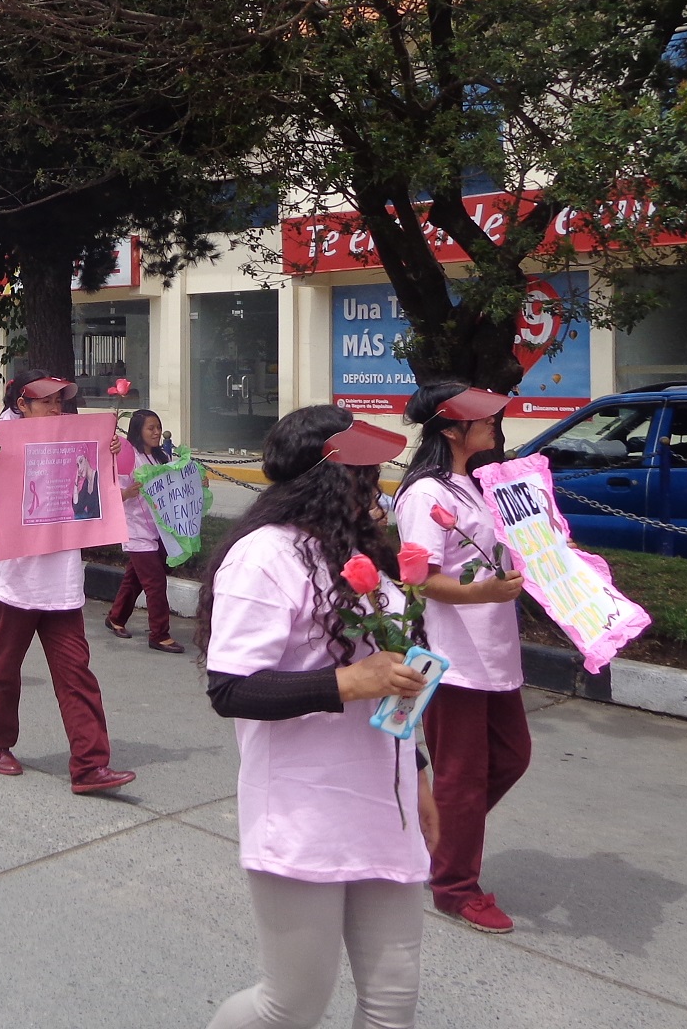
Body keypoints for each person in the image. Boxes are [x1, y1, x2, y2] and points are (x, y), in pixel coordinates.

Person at [200, 406, 437, 1029]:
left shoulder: (368, 554)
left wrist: (419, 776)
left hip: (385, 805)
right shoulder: (265, 557)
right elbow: (231, 687)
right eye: (367, 471)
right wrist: (350, 681)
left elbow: (396, 681)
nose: (379, 483)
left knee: (392, 1002)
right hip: (304, 810)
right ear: (333, 476)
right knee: (292, 1005)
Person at [393, 383, 529, 933]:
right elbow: (418, 577)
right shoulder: (426, 495)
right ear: (452, 429)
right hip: (453, 658)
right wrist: (483, 594)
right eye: (484, 419)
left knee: (511, 757)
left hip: (494, 650)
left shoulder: (473, 483)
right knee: (461, 776)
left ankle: (439, 839)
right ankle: (454, 886)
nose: (495, 425)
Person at [0, 373, 134, 794]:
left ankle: (90, 765)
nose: (55, 408)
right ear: (21, 405)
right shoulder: (1, 448)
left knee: (77, 675)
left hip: (62, 587)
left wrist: (108, 456)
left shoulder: (77, 446)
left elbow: (107, 499)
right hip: (14, 586)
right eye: (45, 401)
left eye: (59, 401)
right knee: (4, 671)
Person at [105, 408, 188, 653]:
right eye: (150, 428)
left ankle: (116, 617)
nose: (156, 432)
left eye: (158, 427)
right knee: (155, 583)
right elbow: (110, 493)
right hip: (137, 531)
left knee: (135, 580)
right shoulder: (128, 457)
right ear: (138, 431)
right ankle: (159, 634)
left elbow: (179, 479)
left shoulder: (162, 457)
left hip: (160, 530)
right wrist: (126, 493)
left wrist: (197, 480)